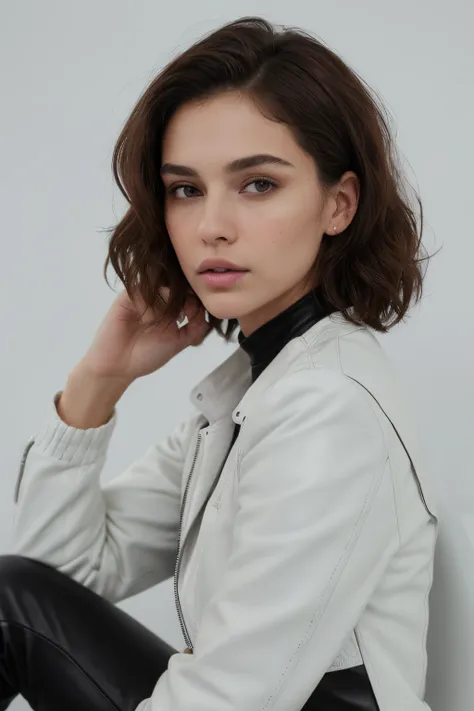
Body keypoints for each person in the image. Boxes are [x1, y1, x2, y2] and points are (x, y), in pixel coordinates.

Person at [0, 14, 440, 711]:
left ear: (338, 203)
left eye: (258, 184)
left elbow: (233, 700)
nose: (212, 225)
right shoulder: (259, 387)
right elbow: (57, 576)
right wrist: (99, 380)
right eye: (186, 188)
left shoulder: (325, 408)